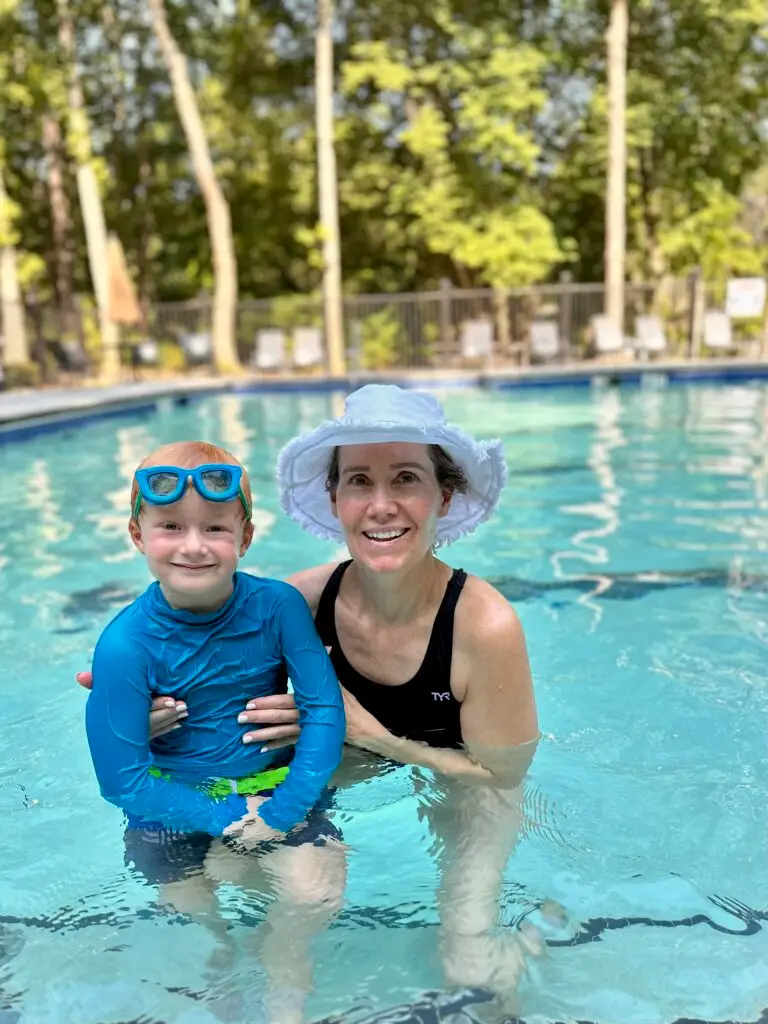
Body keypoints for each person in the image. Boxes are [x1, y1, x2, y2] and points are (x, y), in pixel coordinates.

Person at [79, 386, 542, 1009]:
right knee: (230, 874)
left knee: (470, 966)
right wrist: (135, 712)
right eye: (359, 481)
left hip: (463, 790)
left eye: (406, 478)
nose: (380, 505)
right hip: (320, 786)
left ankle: (518, 949)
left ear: (445, 496)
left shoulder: (481, 625)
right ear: (335, 498)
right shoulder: (300, 600)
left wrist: (375, 736)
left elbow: (502, 775)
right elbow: (198, 628)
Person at [85, 440, 347, 1024]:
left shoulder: (278, 607)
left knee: (316, 897)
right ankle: (222, 973)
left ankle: (284, 979)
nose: (194, 545)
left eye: (215, 528)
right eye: (171, 526)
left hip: (275, 791)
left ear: (245, 537)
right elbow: (122, 781)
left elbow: (325, 712)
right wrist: (229, 817)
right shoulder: (125, 645)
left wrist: (281, 810)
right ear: (137, 534)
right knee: (197, 931)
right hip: (167, 813)